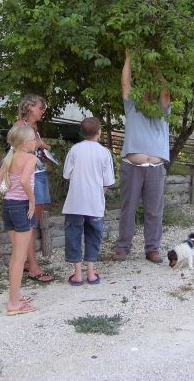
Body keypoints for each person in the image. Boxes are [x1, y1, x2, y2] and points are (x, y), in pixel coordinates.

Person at [113, 50, 170, 264]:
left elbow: (166, 92)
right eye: (144, 88)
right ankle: (122, 247)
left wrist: (154, 67)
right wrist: (128, 57)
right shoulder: (132, 107)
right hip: (132, 166)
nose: (148, 92)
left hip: (155, 168)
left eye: (151, 89)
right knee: (128, 209)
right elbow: (125, 85)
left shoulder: (162, 110)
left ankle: (152, 249)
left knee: (154, 210)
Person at [0, 124, 38, 315]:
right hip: (21, 207)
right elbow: (25, 181)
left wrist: (9, 191)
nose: (36, 142)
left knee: (16, 256)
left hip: (8, 206)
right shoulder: (31, 158)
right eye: (34, 139)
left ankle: (15, 296)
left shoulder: (9, 159)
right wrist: (32, 202)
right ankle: (13, 304)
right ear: (27, 142)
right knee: (20, 257)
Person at [62, 117, 115, 285]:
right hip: (94, 204)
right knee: (93, 236)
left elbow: (66, 175)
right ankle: (91, 273)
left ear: (82, 132)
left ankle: (77, 274)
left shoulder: (75, 150)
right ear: (99, 131)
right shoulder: (104, 152)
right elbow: (108, 181)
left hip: (75, 203)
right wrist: (100, 194)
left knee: (73, 235)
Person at [12, 94, 55, 283]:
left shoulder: (34, 127)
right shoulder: (20, 126)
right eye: (39, 107)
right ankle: (33, 267)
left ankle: (28, 262)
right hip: (29, 178)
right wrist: (38, 144)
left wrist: (43, 149)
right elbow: (15, 150)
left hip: (39, 173)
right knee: (28, 222)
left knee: (34, 221)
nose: (42, 111)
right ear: (29, 107)